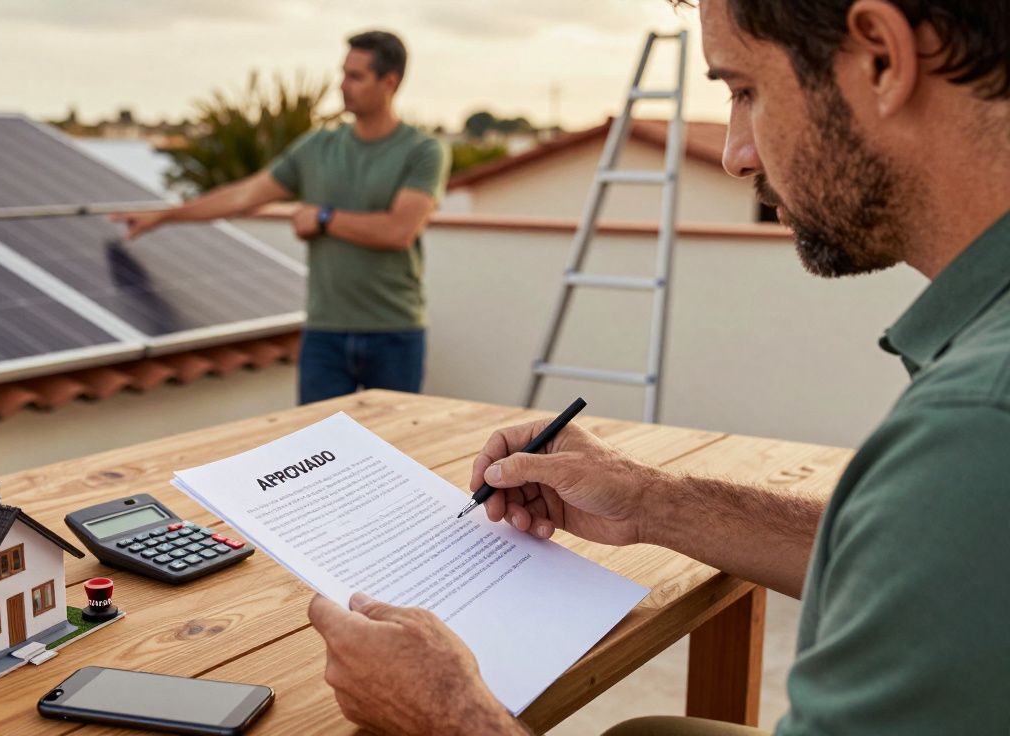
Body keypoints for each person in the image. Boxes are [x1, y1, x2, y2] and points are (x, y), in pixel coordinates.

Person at [307, 0, 1010, 734]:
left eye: (745, 91)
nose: (737, 151)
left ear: (882, 59)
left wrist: (446, 717)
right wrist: (648, 500)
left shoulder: (977, 429)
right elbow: (911, 555)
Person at [111, 30, 449, 405]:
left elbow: (399, 230)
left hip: (395, 333)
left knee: (396, 450)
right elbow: (243, 194)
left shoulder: (423, 151)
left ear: (390, 81)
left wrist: (323, 217)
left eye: (356, 76)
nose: (342, 85)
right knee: (319, 452)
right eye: (343, 73)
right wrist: (164, 217)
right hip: (325, 333)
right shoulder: (318, 146)